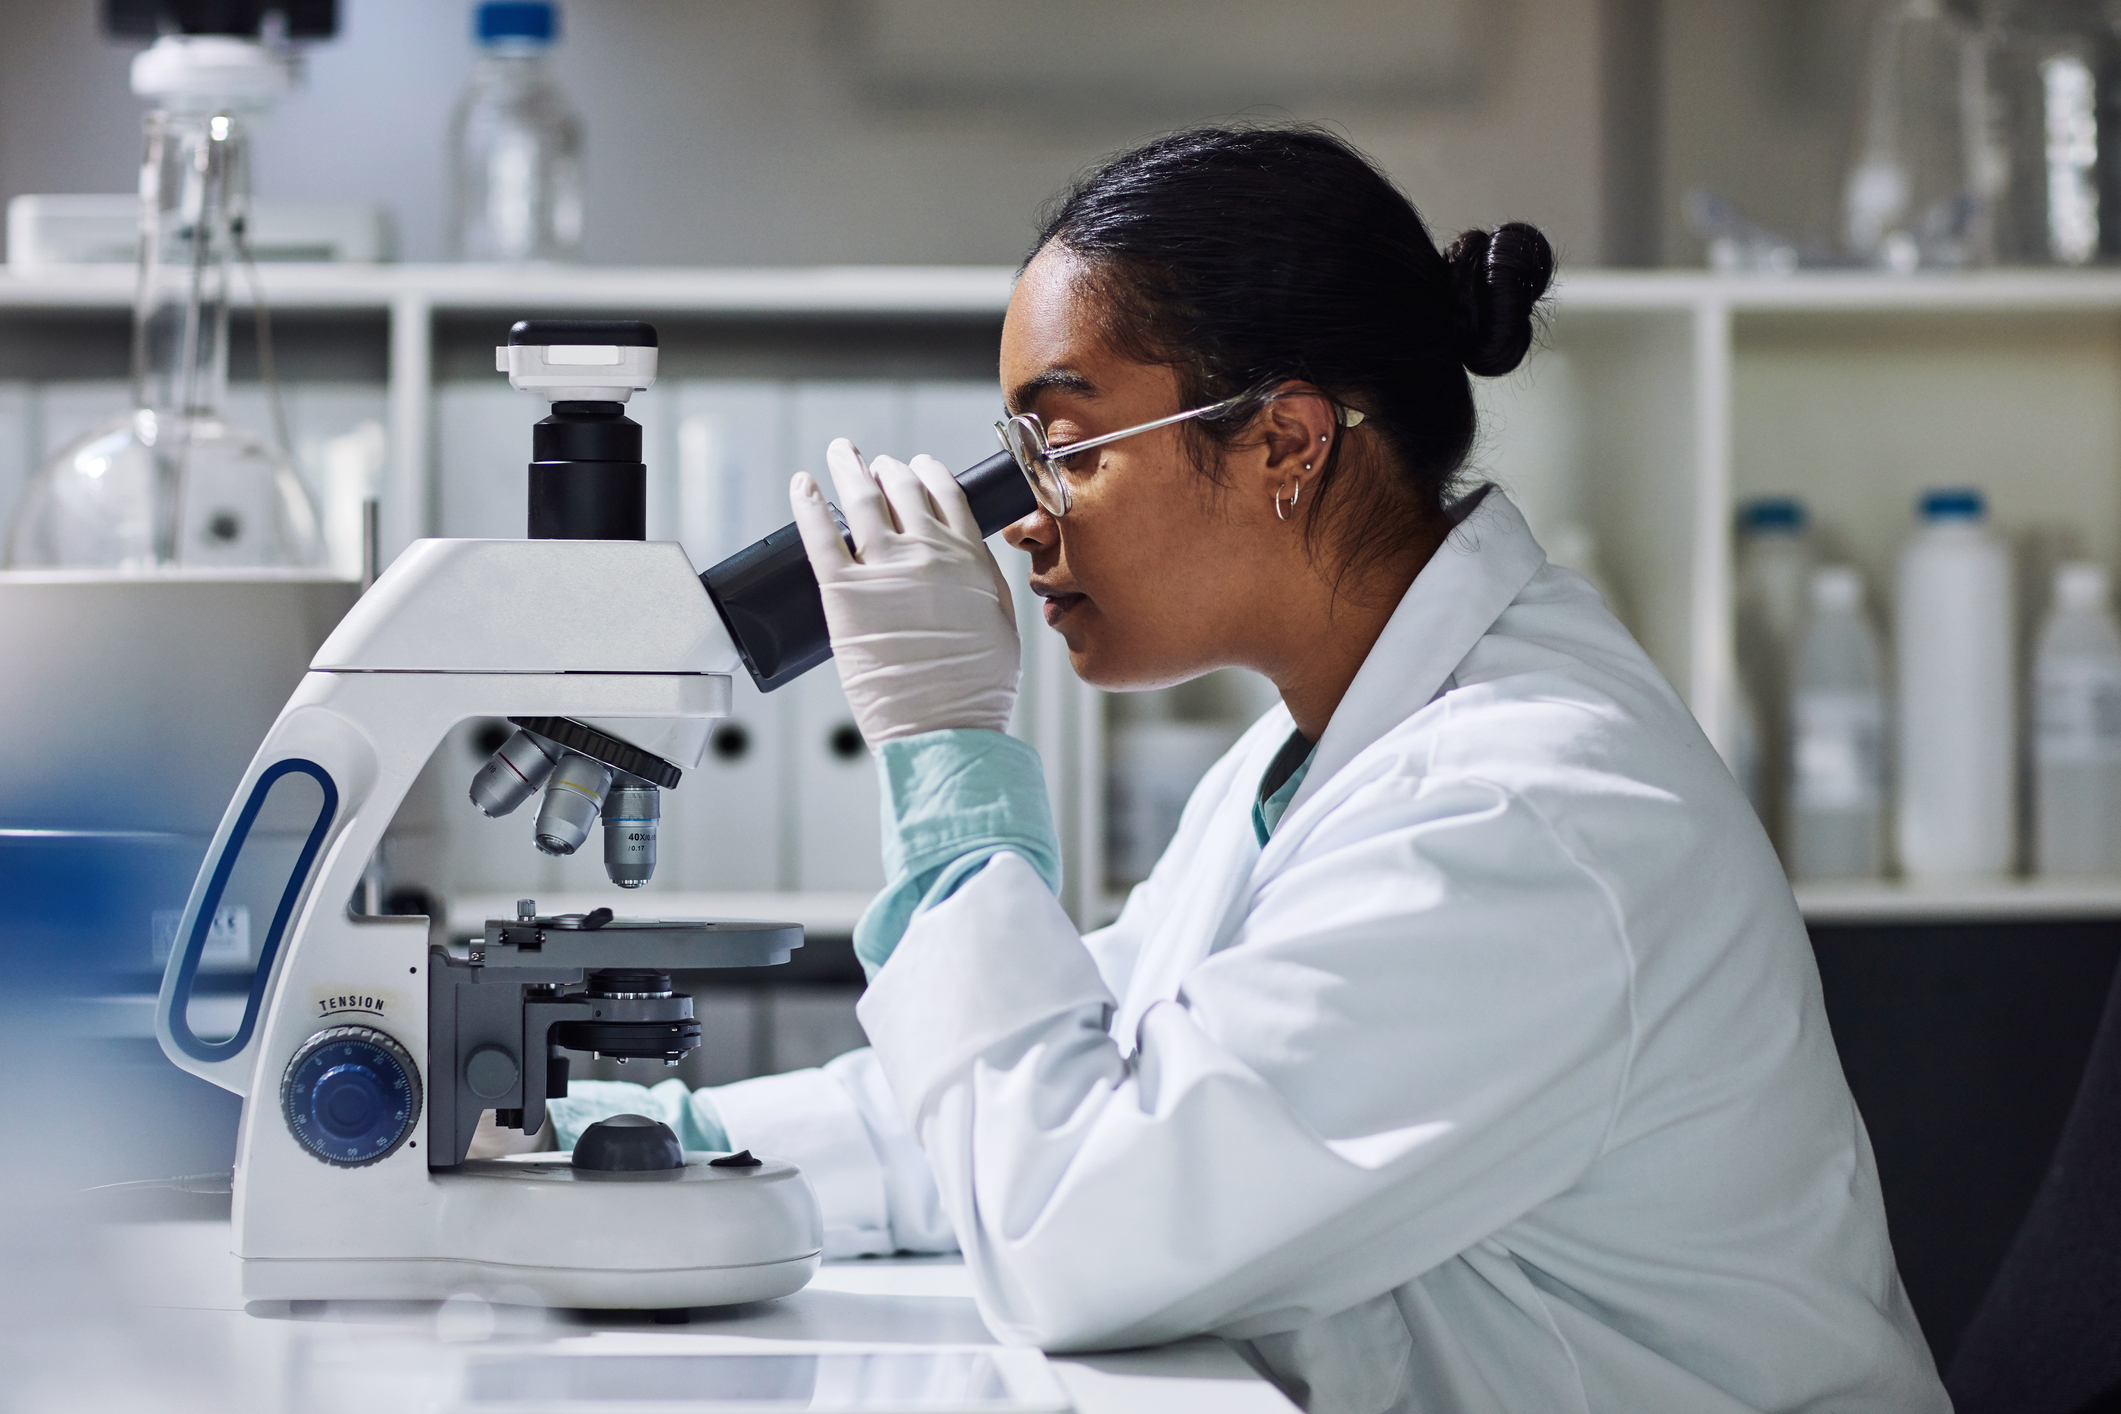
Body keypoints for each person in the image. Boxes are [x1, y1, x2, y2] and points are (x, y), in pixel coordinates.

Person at [542, 126, 1948, 1412]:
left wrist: (950, 763)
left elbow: (1070, 1229)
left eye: (1062, 448)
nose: (1021, 525)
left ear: (1284, 438)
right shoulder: (1318, 753)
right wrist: (660, 1135)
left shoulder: (1518, 811)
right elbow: (1032, 1084)